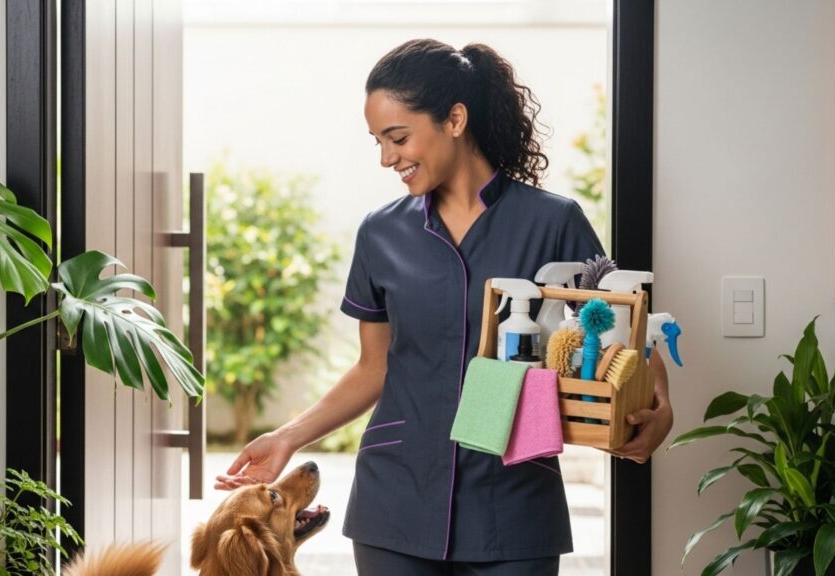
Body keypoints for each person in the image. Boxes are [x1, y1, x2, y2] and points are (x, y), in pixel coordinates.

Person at [215, 38, 674, 575]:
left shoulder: (553, 222)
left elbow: (625, 331)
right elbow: (373, 367)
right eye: (378, 142)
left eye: (398, 137)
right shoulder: (381, 233)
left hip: (515, 503)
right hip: (394, 505)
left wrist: (660, 404)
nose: (387, 157)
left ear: (455, 119)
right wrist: (286, 437)